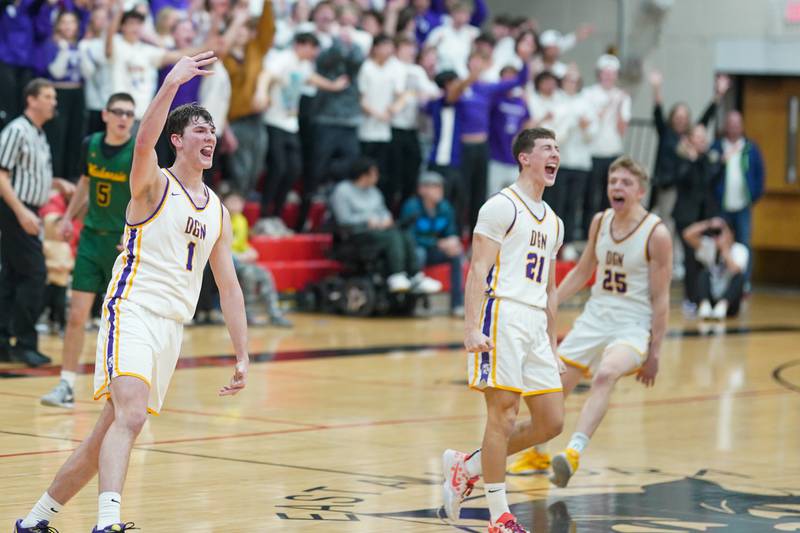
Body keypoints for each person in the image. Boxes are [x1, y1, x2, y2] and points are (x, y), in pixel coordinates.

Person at [13, 52, 249, 533]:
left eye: (211, 131)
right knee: (133, 416)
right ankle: (107, 522)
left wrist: (242, 353)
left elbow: (229, 286)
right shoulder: (153, 184)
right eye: (199, 130)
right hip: (133, 309)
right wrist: (171, 83)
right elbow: (144, 140)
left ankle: (36, 520)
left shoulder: (217, 211)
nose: (209, 137)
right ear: (178, 141)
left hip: (170, 327)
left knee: (108, 432)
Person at [507, 156, 672, 488]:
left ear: (640, 191)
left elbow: (662, 298)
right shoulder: (600, 221)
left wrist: (654, 353)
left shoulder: (657, 233)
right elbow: (583, 271)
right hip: (595, 317)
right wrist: (549, 300)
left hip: (632, 323)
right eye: (613, 182)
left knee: (606, 373)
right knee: (554, 387)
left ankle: (572, 453)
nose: (616, 188)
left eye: (625, 183)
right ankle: (537, 452)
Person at [441, 128, 566, 533]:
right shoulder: (500, 206)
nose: (555, 156)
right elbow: (477, 270)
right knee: (504, 416)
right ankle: (499, 517)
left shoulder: (555, 223)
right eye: (547, 148)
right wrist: (471, 328)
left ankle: (467, 466)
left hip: (534, 321)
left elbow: (549, 289)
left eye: (557, 150)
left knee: (551, 421)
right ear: (524, 158)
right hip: (503, 314)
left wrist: (551, 340)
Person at [40, 92, 137, 409]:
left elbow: (147, 197)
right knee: (76, 316)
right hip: (92, 240)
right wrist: (69, 217)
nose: (124, 118)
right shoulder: (90, 144)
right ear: (106, 115)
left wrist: (134, 232)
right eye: (119, 112)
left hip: (121, 244)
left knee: (123, 323)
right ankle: (66, 385)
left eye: (129, 114)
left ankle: (127, 392)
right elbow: (85, 182)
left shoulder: (139, 151)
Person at [0, 78, 76, 368]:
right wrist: (21, 212)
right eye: (48, 96)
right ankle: (25, 342)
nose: (54, 102)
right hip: (15, 210)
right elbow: (1, 176)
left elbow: (28, 174)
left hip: (29, 208)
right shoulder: (17, 130)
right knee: (34, 274)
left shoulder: (39, 134)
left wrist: (55, 183)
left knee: (11, 277)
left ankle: (3, 340)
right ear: (31, 100)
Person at [330, 156, 441, 294]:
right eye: (374, 173)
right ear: (364, 174)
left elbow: (384, 212)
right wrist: (367, 220)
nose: (377, 176)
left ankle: (415, 276)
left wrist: (385, 220)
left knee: (403, 233)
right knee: (392, 237)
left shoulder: (374, 192)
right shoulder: (343, 191)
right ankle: (397, 274)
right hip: (356, 234)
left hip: (379, 231)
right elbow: (344, 219)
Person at [708, 110, 765, 285]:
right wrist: (720, 162)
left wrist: (753, 195)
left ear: (742, 126)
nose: (733, 128)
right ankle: (718, 280)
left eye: (737, 124)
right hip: (721, 206)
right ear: (726, 126)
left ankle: (743, 283)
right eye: (730, 124)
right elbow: (709, 174)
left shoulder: (751, 148)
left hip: (743, 206)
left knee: (744, 243)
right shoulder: (717, 147)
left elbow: (759, 174)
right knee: (719, 243)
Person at [399, 170, 465, 316]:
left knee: (456, 254)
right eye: (434, 186)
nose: (439, 190)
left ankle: (457, 305)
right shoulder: (411, 207)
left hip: (435, 250)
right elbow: (408, 237)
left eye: (440, 186)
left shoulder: (445, 207)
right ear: (422, 189)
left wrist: (453, 242)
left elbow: (450, 231)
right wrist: (437, 243)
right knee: (419, 253)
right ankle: (413, 304)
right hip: (414, 251)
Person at [222, 190, 293, 327]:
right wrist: (238, 257)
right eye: (233, 201)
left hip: (239, 260)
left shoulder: (242, 221)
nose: (237, 205)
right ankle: (247, 314)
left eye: (239, 201)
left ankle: (274, 314)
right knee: (249, 274)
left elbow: (241, 244)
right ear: (224, 202)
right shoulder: (220, 219)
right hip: (225, 262)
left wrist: (250, 250)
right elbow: (218, 248)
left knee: (265, 273)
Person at [683, 217, 748, 320]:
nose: (717, 236)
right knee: (703, 273)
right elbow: (687, 234)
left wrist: (724, 250)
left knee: (739, 277)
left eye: (721, 232)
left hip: (729, 303)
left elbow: (736, 270)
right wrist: (709, 224)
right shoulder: (710, 246)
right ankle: (705, 305)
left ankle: (722, 305)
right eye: (716, 233)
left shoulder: (739, 249)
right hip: (711, 298)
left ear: (731, 234)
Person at [42, 212, 75, 335]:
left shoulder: (65, 246)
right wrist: (54, 266)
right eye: (57, 226)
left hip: (62, 281)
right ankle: (50, 323)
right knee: (45, 304)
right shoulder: (46, 245)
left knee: (60, 305)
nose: (61, 230)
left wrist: (67, 266)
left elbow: (71, 262)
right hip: (49, 281)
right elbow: (42, 262)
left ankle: (62, 325)